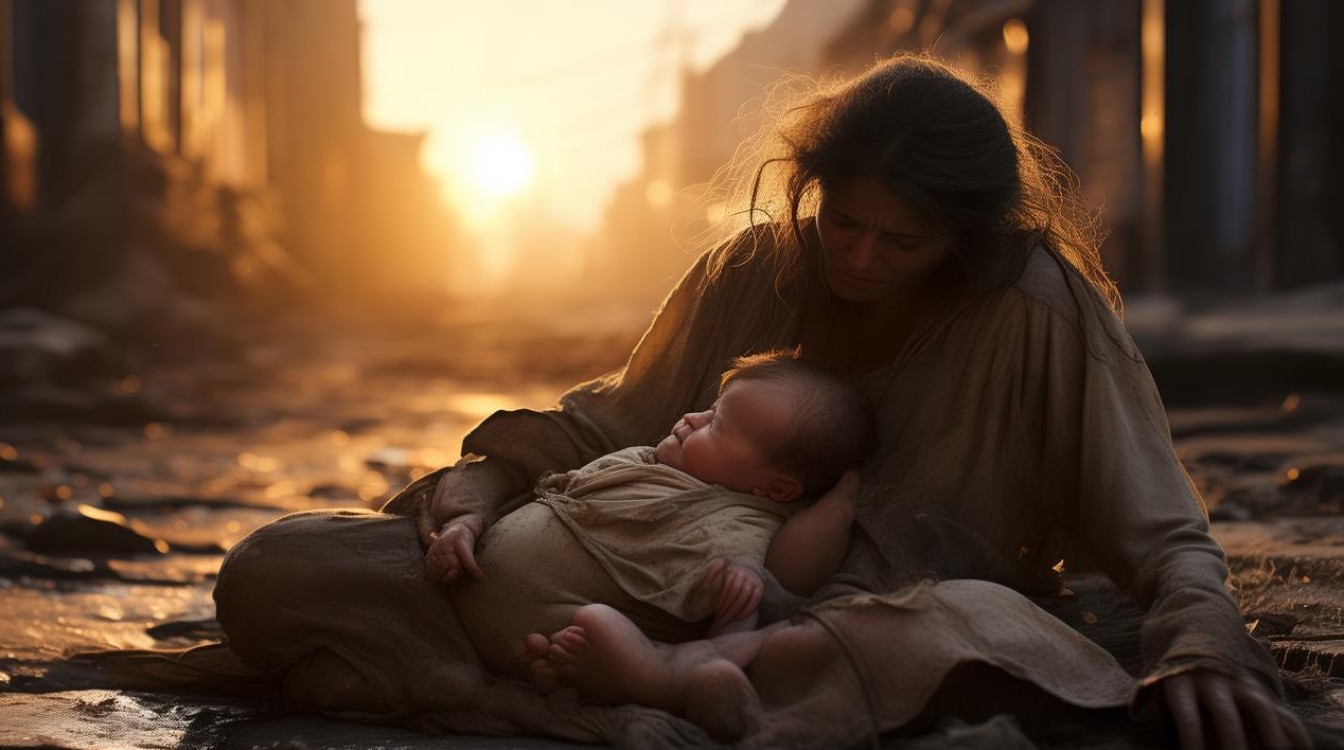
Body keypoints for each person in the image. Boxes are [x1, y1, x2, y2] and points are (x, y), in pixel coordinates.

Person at [214, 53, 1317, 749]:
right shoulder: (753, 271)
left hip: (846, 625)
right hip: (610, 577)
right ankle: (592, 683)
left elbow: (1163, 530)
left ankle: (595, 691)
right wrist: (476, 493)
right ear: (812, 193)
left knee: (961, 642)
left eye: (904, 242)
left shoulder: (1039, 308)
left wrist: (1204, 645)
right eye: (845, 224)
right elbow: (612, 419)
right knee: (279, 569)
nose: (864, 259)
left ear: (966, 237)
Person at [441, 351, 875, 689]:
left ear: (775, 489)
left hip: (555, 633)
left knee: (603, 627)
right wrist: (465, 525)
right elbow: (558, 493)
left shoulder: (735, 516)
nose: (693, 418)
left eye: (717, 426)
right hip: (469, 587)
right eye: (711, 408)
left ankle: (663, 682)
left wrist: (742, 578)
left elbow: (738, 569)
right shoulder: (645, 460)